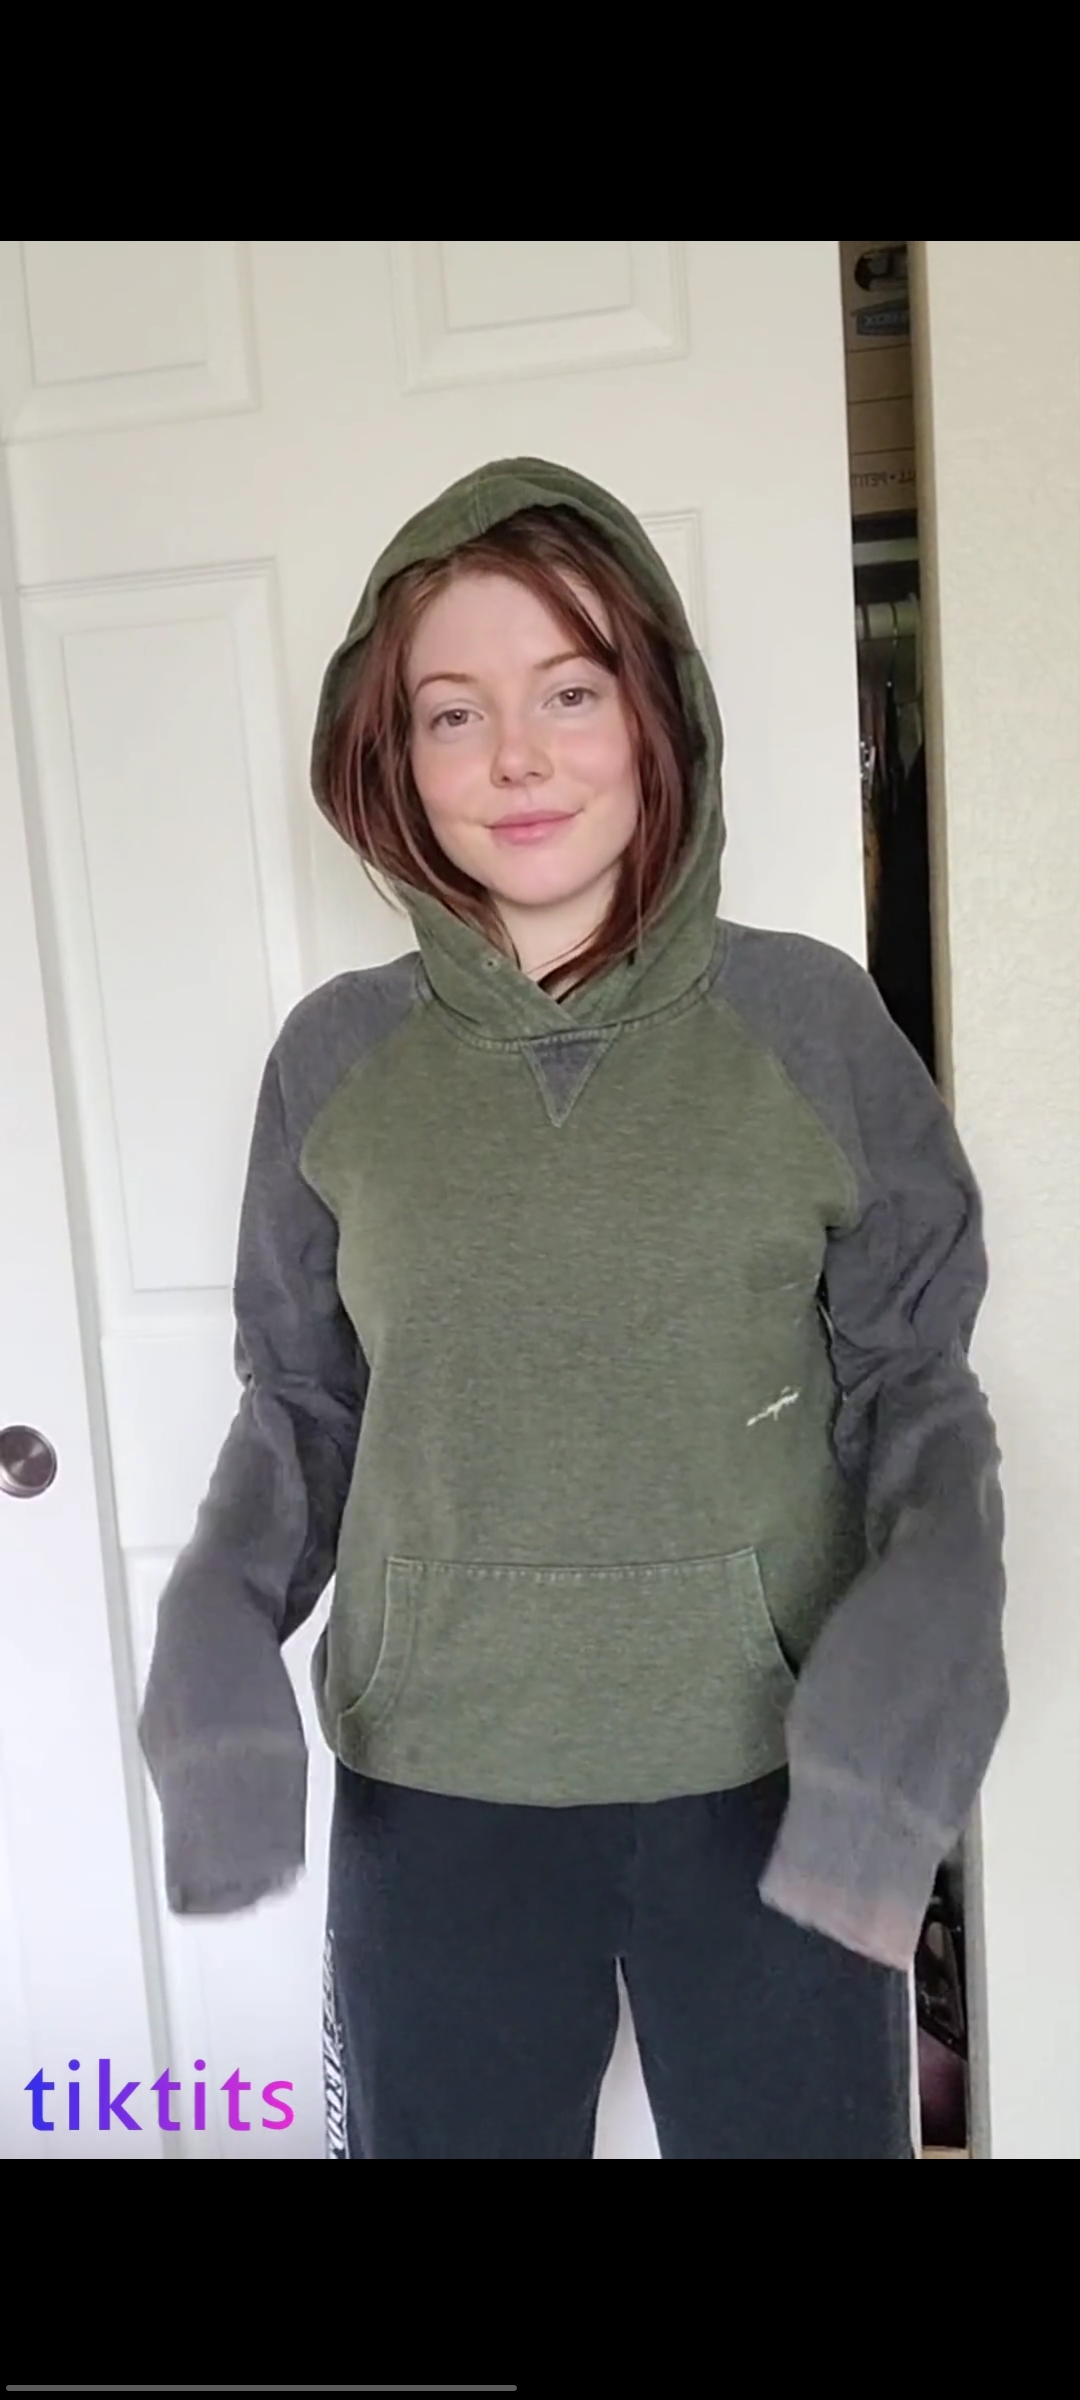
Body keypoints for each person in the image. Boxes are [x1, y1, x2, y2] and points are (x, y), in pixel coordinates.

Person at [139, 458, 1008, 2161]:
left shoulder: (810, 1022)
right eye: (452, 713)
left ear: (657, 713)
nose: (517, 757)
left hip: (770, 1785)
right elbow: (303, 1405)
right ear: (392, 757)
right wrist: (217, 1635)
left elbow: (914, 1379)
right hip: (434, 1791)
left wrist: (917, 1662)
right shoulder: (336, 1059)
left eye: (570, 691)